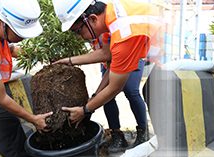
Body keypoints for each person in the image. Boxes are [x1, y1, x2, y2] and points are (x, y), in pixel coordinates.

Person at [53, 0, 162, 142]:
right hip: (153, 55)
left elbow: (115, 87)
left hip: (170, 59)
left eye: (78, 31)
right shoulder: (110, 17)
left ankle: (147, 134)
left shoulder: (124, 34)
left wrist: (85, 110)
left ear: (93, 19)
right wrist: (69, 61)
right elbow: (107, 56)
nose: (80, 37)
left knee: (138, 92)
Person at [0, 0, 51, 157]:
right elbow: (0, 97)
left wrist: (37, 55)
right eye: (19, 33)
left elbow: (11, 48)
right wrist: (33, 119)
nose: (22, 38)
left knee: (10, 125)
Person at [89, 32, 150, 153]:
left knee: (131, 90)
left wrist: (94, 98)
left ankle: (143, 134)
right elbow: (108, 63)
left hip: (133, 55)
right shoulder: (93, 33)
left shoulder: (111, 29)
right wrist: (97, 96)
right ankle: (117, 136)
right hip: (110, 62)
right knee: (107, 97)